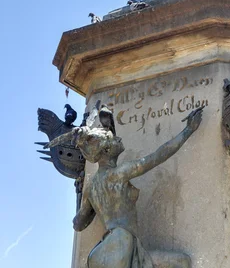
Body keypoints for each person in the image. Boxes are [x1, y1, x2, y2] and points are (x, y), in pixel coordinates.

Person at [70, 107, 203, 268]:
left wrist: (91, 204)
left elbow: (78, 224)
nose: (118, 140)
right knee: (182, 262)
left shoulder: (91, 187)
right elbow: (157, 156)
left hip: (101, 251)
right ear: (106, 150)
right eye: (113, 139)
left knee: (181, 262)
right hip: (122, 244)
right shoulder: (119, 174)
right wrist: (188, 130)